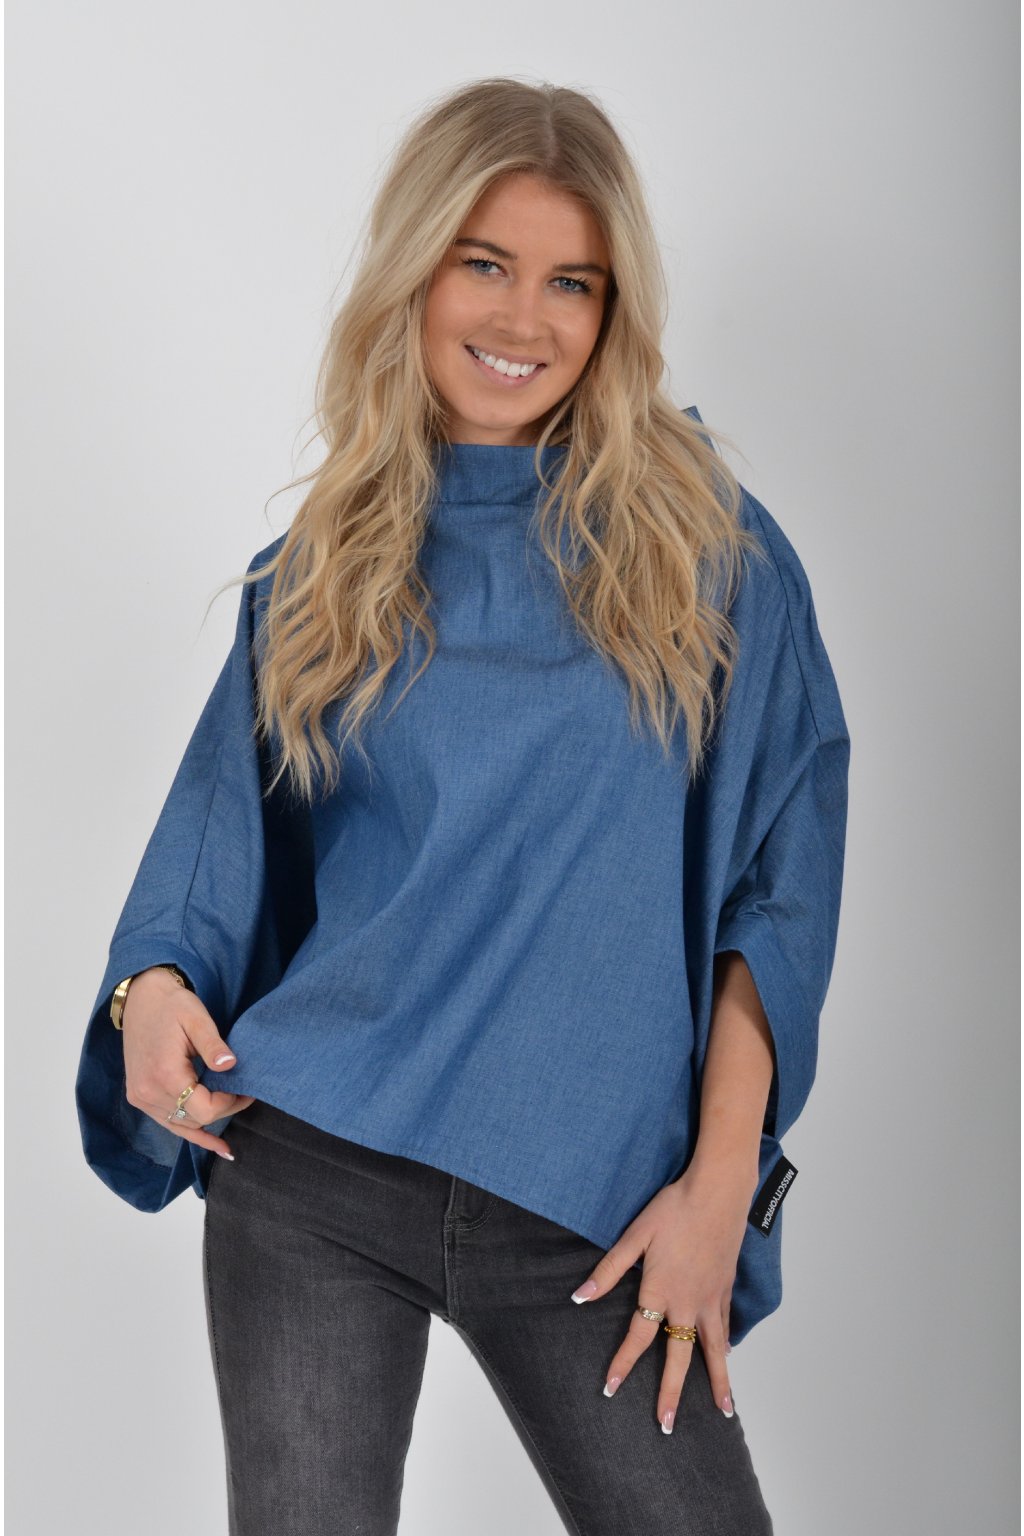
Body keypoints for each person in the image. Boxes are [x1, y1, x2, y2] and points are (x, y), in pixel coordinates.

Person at [75, 77, 850, 1536]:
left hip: (595, 1197)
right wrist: (151, 987)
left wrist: (717, 1190)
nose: (523, 318)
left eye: (573, 281)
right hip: (316, 1170)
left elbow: (779, 887)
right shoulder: (327, 561)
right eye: (483, 263)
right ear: (416, 271)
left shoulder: (710, 549)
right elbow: (213, 842)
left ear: (615, 309)